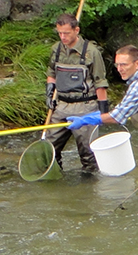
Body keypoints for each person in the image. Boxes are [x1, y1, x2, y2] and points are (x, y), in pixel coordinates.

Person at [67, 46, 138, 200]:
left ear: (137, 64)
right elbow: (131, 106)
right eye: (117, 65)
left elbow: (117, 117)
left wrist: (88, 119)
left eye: (124, 65)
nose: (119, 69)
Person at [45, 13, 110, 173]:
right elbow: (51, 73)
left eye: (66, 33)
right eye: (59, 33)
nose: (63, 37)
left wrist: (103, 113)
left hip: (85, 106)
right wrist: (49, 93)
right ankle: (54, 177)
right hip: (61, 106)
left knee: (88, 153)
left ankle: (91, 184)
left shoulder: (92, 52)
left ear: (76, 30)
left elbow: (100, 83)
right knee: (49, 148)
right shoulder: (56, 49)